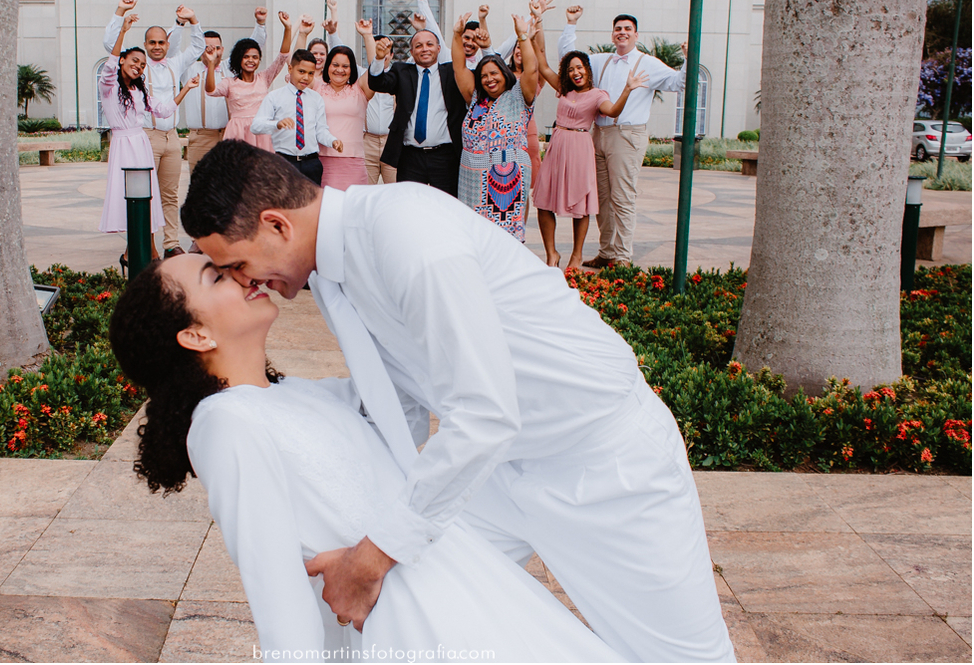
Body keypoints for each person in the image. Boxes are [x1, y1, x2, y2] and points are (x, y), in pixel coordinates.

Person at [181, 141, 736, 663]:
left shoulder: (407, 232)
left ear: (276, 224)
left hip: (607, 464)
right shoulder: (326, 274)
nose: (243, 282)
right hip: (496, 474)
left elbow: (485, 415)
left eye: (235, 265)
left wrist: (372, 556)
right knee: (418, 605)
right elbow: (402, 395)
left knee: (683, 658)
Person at [108, 253, 625, 662]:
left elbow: (402, 400)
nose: (241, 275)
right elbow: (275, 583)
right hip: (410, 622)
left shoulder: (300, 395)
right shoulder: (224, 423)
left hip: (459, 585)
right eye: (215, 277)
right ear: (195, 335)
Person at [558, 9, 688, 268]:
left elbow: (678, 83)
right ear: (612, 33)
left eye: (628, 29)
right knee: (602, 198)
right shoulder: (601, 60)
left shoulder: (647, 63)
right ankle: (606, 252)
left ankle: (623, 256)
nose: (622, 32)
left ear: (636, 34)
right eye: (618, 28)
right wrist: (571, 24)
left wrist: (688, 58)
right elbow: (568, 58)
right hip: (598, 134)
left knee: (623, 197)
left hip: (627, 136)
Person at [102, 0, 205, 258]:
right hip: (142, 139)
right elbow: (111, 53)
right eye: (152, 43)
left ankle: (166, 246)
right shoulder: (114, 82)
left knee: (164, 196)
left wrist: (186, 88)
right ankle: (142, 251)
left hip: (165, 139)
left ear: (167, 45)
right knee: (138, 197)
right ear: (144, 46)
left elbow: (165, 107)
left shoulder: (157, 76)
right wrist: (122, 20)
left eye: (161, 42)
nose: (139, 66)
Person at [533, 45, 647, 270]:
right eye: (571, 69)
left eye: (580, 67)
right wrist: (537, 23)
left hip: (580, 147)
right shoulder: (564, 89)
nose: (576, 72)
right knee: (543, 201)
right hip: (557, 145)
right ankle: (552, 253)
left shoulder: (597, 95)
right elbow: (543, 65)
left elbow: (612, 111)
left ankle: (576, 256)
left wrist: (627, 89)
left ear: (587, 69)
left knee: (580, 204)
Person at [450, 12, 538, 242]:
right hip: (471, 176)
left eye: (494, 73)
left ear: (504, 73)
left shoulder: (519, 95)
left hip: (507, 177)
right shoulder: (476, 98)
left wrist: (523, 36)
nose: (489, 79)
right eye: (484, 75)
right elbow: (459, 68)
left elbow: (532, 71)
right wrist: (457, 34)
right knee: (473, 233)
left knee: (504, 236)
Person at [365, 27, 467, 197]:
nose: (424, 49)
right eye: (418, 46)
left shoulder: (452, 73)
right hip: (410, 156)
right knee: (409, 204)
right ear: (412, 52)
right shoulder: (402, 71)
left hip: (445, 156)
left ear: (439, 48)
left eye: (429, 44)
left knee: (445, 206)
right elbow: (377, 83)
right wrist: (378, 58)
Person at [204, 12, 309, 153]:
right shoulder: (230, 83)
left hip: (261, 131)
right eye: (246, 57)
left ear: (259, 60)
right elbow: (210, 90)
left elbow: (282, 56)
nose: (250, 60)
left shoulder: (264, 77)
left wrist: (288, 28)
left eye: (255, 57)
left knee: (261, 171)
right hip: (237, 132)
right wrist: (211, 64)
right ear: (238, 59)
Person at [183, 7, 270, 172]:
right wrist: (191, 22)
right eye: (207, 48)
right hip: (202, 137)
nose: (211, 52)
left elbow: (252, 46)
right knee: (201, 185)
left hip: (230, 134)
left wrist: (260, 23)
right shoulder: (189, 69)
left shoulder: (230, 68)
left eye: (215, 48)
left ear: (221, 50)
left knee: (230, 184)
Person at [250, 49, 342, 185]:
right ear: (290, 68)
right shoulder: (274, 97)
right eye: (302, 72)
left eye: (311, 73)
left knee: (311, 203)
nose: (306, 78)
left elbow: (321, 130)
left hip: (311, 163)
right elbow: (255, 126)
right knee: (286, 204)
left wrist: (333, 141)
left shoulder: (316, 99)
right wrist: (277, 124)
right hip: (284, 162)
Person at [314, 30, 379, 191]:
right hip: (323, 161)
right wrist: (301, 33)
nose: (339, 70)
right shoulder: (316, 87)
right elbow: (298, 65)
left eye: (345, 66)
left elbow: (375, 70)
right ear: (327, 66)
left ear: (352, 69)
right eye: (335, 65)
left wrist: (367, 36)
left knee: (353, 210)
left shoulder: (360, 89)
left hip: (354, 163)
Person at [363, 33, 398, 185]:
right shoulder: (362, 75)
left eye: (385, 52)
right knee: (366, 192)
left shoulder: (399, 76)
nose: (382, 55)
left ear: (391, 54)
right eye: (377, 50)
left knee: (394, 192)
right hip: (367, 142)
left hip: (391, 142)